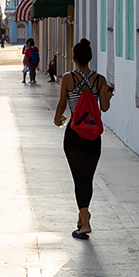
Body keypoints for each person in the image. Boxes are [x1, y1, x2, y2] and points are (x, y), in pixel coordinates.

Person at [54, 39, 113, 240]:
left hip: (74, 134)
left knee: (78, 179)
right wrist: (108, 96)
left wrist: (56, 119)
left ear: (74, 58)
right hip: (93, 136)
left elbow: (62, 104)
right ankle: (82, 218)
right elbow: (104, 108)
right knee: (87, 179)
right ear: (91, 58)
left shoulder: (68, 78)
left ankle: (85, 224)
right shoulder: (100, 80)